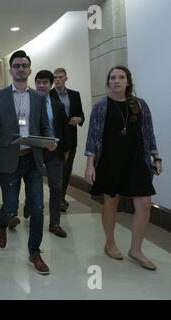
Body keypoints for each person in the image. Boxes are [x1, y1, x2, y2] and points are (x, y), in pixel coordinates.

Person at [0, 50, 56, 275]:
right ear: (11, 70)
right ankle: (2, 223)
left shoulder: (39, 97)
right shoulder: (0, 97)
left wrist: (50, 139)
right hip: (9, 159)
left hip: (33, 159)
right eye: (16, 66)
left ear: (29, 69)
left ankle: (34, 252)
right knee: (11, 206)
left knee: (37, 208)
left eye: (24, 65)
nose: (20, 69)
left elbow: (45, 125)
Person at [85, 65, 162, 271]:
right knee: (111, 201)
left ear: (128, 82)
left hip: (137, 160)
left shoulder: (139, 104)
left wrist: (156, 157)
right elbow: (93, 137)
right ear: (108, 82)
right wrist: (90, 165)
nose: (116, 81)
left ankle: (135, 249)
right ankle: (110, 242)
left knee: (144, 204)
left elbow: (148, 132)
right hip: (110, 160)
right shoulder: (102, 106)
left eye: (121, 77)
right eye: (112, 78)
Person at [33, 70, 71, 238]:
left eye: (45, 83)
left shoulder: (57, 104)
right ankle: (29, 204)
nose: (41, 86)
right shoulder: (28, 103)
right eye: (38, 82)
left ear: (50, 85)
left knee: (56, 186)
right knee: (33, 186)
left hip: (55, 151)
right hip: (35, 151)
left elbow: (64, 129)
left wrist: (66, 150)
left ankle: (54, 223)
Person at [50, 68, 85, 212]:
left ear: (66, 78)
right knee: (57, 169)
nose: (57, 80)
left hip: (71, 136)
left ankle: (62, 197)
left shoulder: (74, 95)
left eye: (60, 77)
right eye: (55, 77)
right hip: (55, 137)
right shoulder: (48, 95)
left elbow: (80, 113)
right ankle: (56, 198)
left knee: (67, 167)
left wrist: (80, 119)